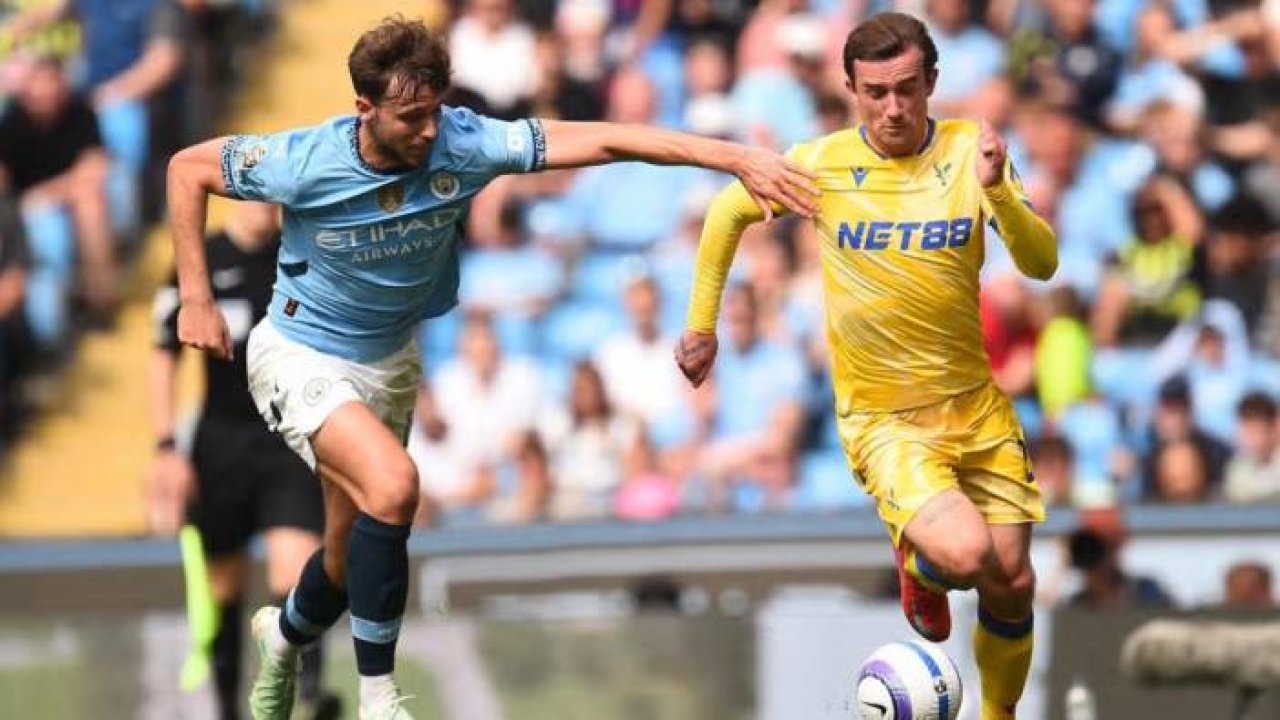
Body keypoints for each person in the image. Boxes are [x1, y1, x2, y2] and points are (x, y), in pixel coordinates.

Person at [166, 16, 816, 720]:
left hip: (388, 362)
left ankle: (284, 638)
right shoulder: (301, 160)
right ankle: (379, 698)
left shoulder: (465, 140)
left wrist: (732, 157)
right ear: (364, 109)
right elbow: (187, 169)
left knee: (343, 557)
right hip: (300, 352)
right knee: (395, 486)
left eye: (435, 110)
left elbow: (605, 140)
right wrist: (196, 298)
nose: (428, 131)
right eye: (410, 117)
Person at [676, 12, 1056, 720]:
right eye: (875, 92)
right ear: (851, 89)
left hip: (976, 405)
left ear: (932, 81)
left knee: (1014, 583)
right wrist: (702, 324)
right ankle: (921, 564)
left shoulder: (972, 150)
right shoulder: (821, 165)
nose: (893, 107)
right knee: (967, 555)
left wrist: (1000, 191)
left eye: (907, 88)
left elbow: (1041, 263)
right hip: (886, 420)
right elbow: (727, 211)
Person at [147, 201, 339, 720]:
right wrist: (166, 448)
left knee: (296, 572)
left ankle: (309, 695)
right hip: (221, 446)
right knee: (224, 590)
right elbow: (163, 352)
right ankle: (227, 708)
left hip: (287, 439)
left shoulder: (301, 254)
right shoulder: (200, 260)